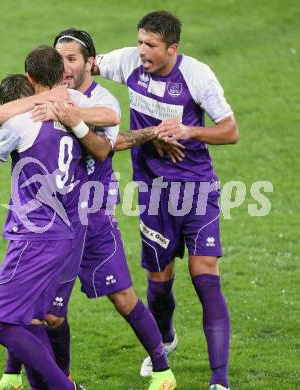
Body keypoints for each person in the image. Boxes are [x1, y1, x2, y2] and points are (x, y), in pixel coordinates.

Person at [0, 29, 177, 390]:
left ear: (90, 62)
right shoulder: (45, 96)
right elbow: (7, 117)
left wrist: (71, 115)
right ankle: (37, 377)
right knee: (44, 310)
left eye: (72, 58)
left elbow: (104, 148)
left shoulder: (101, 99)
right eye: (59, 59)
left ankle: (162, 369)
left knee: (122, 297)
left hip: (93, 217)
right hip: (57, 221)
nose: (64, 66)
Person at [93, 10, 239, 390]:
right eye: (140, 41)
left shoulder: (197, 75)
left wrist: (188, 130)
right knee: (159, 281)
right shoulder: (128, 61)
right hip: (153, 192)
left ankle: (219, 379)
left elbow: (230, 130)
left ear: (172, 48)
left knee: (205, 276)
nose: (142, 50)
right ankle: (166, 338)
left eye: (151, 46)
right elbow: (83, 66)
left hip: (196, 189)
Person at [0, 46, 100, 390]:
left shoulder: (20, 122)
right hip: (63, 233)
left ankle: (65, 386)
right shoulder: (70, 116)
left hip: (34, 236)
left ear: (31, 80)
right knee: (30, 319)